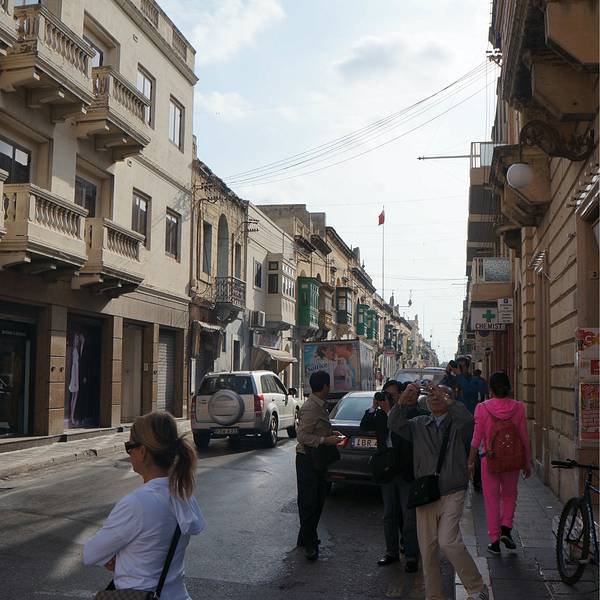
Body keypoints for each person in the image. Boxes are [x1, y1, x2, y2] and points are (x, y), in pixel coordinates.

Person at [83, 412, 205, 600]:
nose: (129, 453)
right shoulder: (182, 494)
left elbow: (90, 554)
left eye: (129, 446)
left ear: (143, 452)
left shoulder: (137, 503)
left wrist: (119, 560)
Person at [389, 383, 489, 600]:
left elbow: (469, 422)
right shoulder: (418, 424)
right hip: (425, 493)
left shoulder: (458, 424)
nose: (434, 397)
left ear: (450, 399)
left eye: (441, 395)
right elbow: (394, 424)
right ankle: (434, 596)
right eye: (431, 395)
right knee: (428, 550)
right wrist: (402, 401)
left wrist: (449, 400)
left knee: (448, 541)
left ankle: (476, 587)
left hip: (453, 490)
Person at [360, 384, 428, 572]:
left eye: (391, 394)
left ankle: (411, 555)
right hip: (386, 469)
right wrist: (374, 407)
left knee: (409, 516)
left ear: (400, 395)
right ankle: (391, 552)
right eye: (386, 394)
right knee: (389, 514)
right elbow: (364, 426)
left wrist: (391, 410)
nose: (388, 398)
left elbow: (402, 429)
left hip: (405, 469)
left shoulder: (412, 413)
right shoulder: (380, 414)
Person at [469, 371, 531, 555]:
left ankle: (494, 540)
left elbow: (476, 438)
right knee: (510, 495)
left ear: (491, 388)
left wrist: (470, 461)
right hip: (512, 459)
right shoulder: (518, 408)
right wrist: (527, 461)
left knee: (491, 499)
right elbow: (524, 436)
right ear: (509, 387)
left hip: (490, 459)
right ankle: (506, 528)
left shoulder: (482, 408)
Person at [296, 370, 343, 561]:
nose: (329, 387)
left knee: (318, 499)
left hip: (317, 458)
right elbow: (302, 436)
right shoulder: (311, 407)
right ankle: (310, 544)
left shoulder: (320, 405)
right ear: (324, 386)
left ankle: (304, 536)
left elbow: (317, 428)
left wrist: (330, 433)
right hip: (307, 459)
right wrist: (325, 440)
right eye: (328, 384)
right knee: (309, 502)